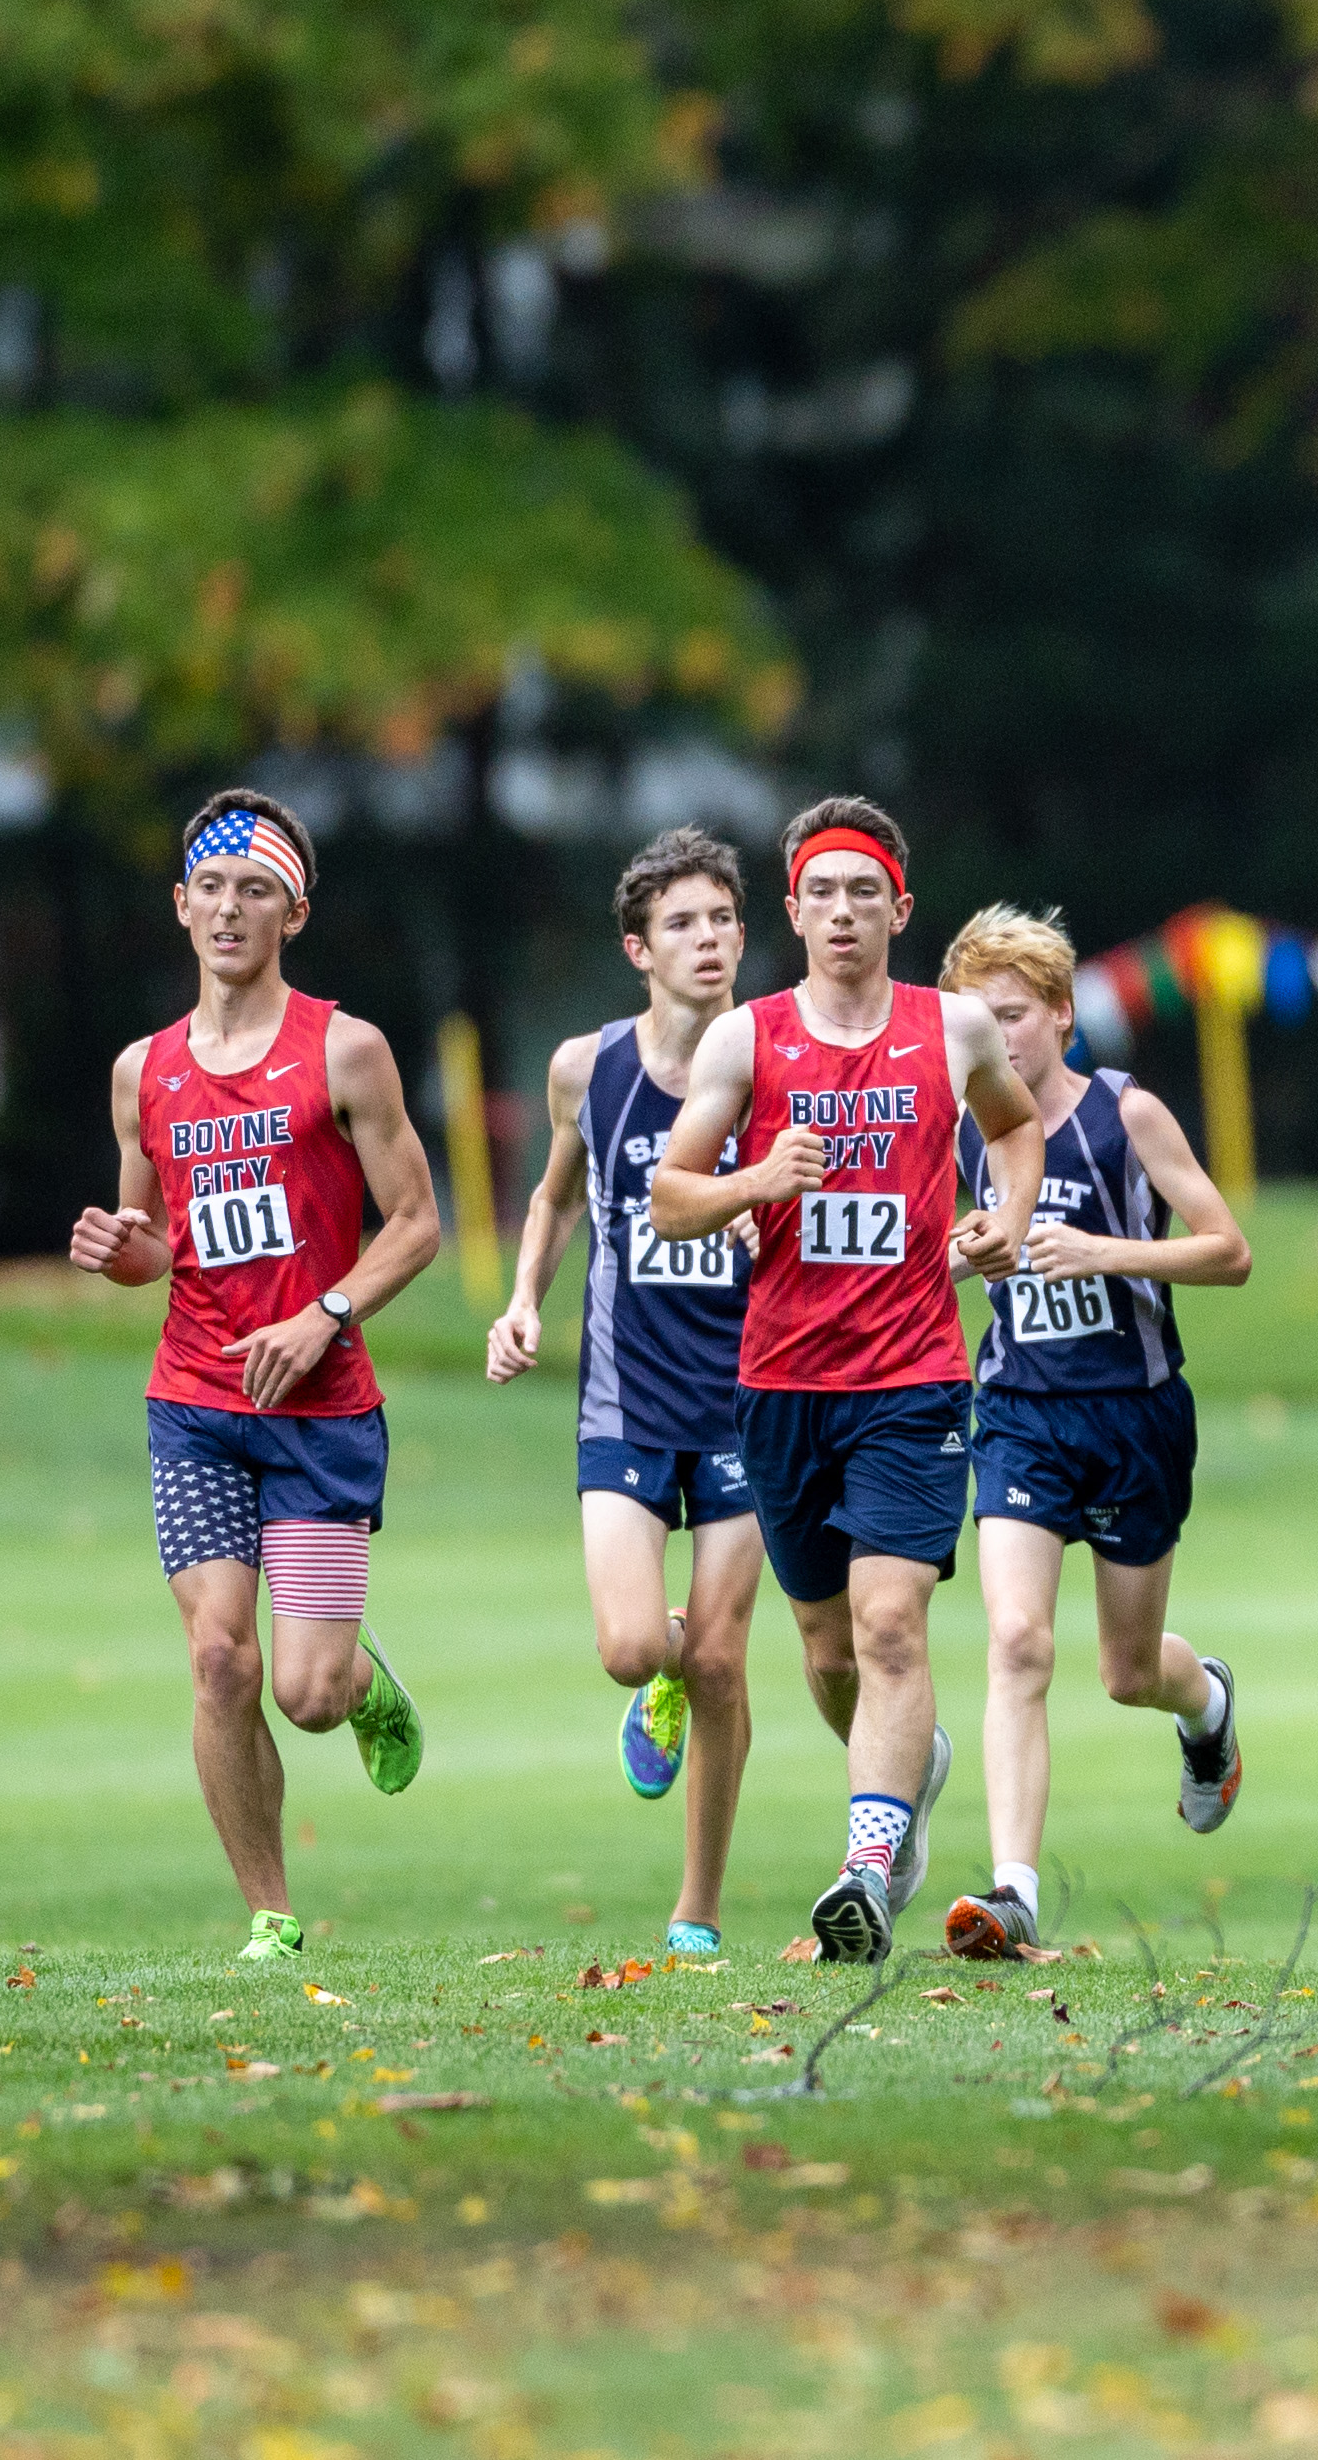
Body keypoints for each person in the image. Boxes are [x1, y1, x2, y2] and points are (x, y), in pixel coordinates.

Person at [645, 798, 1045, 1964]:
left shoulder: (954, 1027)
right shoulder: (746, 1040)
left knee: (889, 1622)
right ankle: (907, 1779)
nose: (842, 911)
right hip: (781, 1384)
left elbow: (1016, 1131)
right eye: (821, 892)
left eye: (863, 891)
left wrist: (1008, 1216)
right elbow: (670, 1196)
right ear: (793, 910)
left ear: (898, 907)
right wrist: (755, 1179)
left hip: (914, 1379)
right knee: (828, 1650)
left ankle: (868, 1860)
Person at [69, 791, 444, 1963]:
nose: (231, 908)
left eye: (257, 890)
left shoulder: (345, 1048)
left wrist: (325, 1316)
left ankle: (363, 1681)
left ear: (294, 913)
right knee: (219, 1655)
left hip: (319, 1412)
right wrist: (126, 1252)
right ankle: (272, 1916)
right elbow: (157, 1243)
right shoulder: (143, 1071)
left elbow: (417, 1222)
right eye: (213, 888)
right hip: (195, 1404)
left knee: (306, 1692)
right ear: (182, 906)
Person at [934, 904, 1255, 1961]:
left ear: (1064, 1014)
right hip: (1018, 1411)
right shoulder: (959, 1129)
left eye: (1014, 1015)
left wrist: (1103, 1251)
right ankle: (1014, 1892)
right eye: (977, 1019)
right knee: (1017, 1641)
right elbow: (931, 1263)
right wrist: (962, 1257)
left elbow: (1228, 1250)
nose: (997, 1037)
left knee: (1126, 1671)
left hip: (1134, 1416)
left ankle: (1206, 1703)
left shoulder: (1128, 1114)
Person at [484, 825, 767, 1956]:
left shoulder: (783, 1061)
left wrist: (768, 1213)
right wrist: (524, 1298)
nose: (708, 940)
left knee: (722, 1663)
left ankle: (698, 1909)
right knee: (633, 1650)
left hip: (750, 1398)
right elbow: (558, 1195)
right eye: (682, 923)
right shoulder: (586, 1068)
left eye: (722, 919)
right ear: (638, 949)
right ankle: (662, 1663)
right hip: (628, 1399)